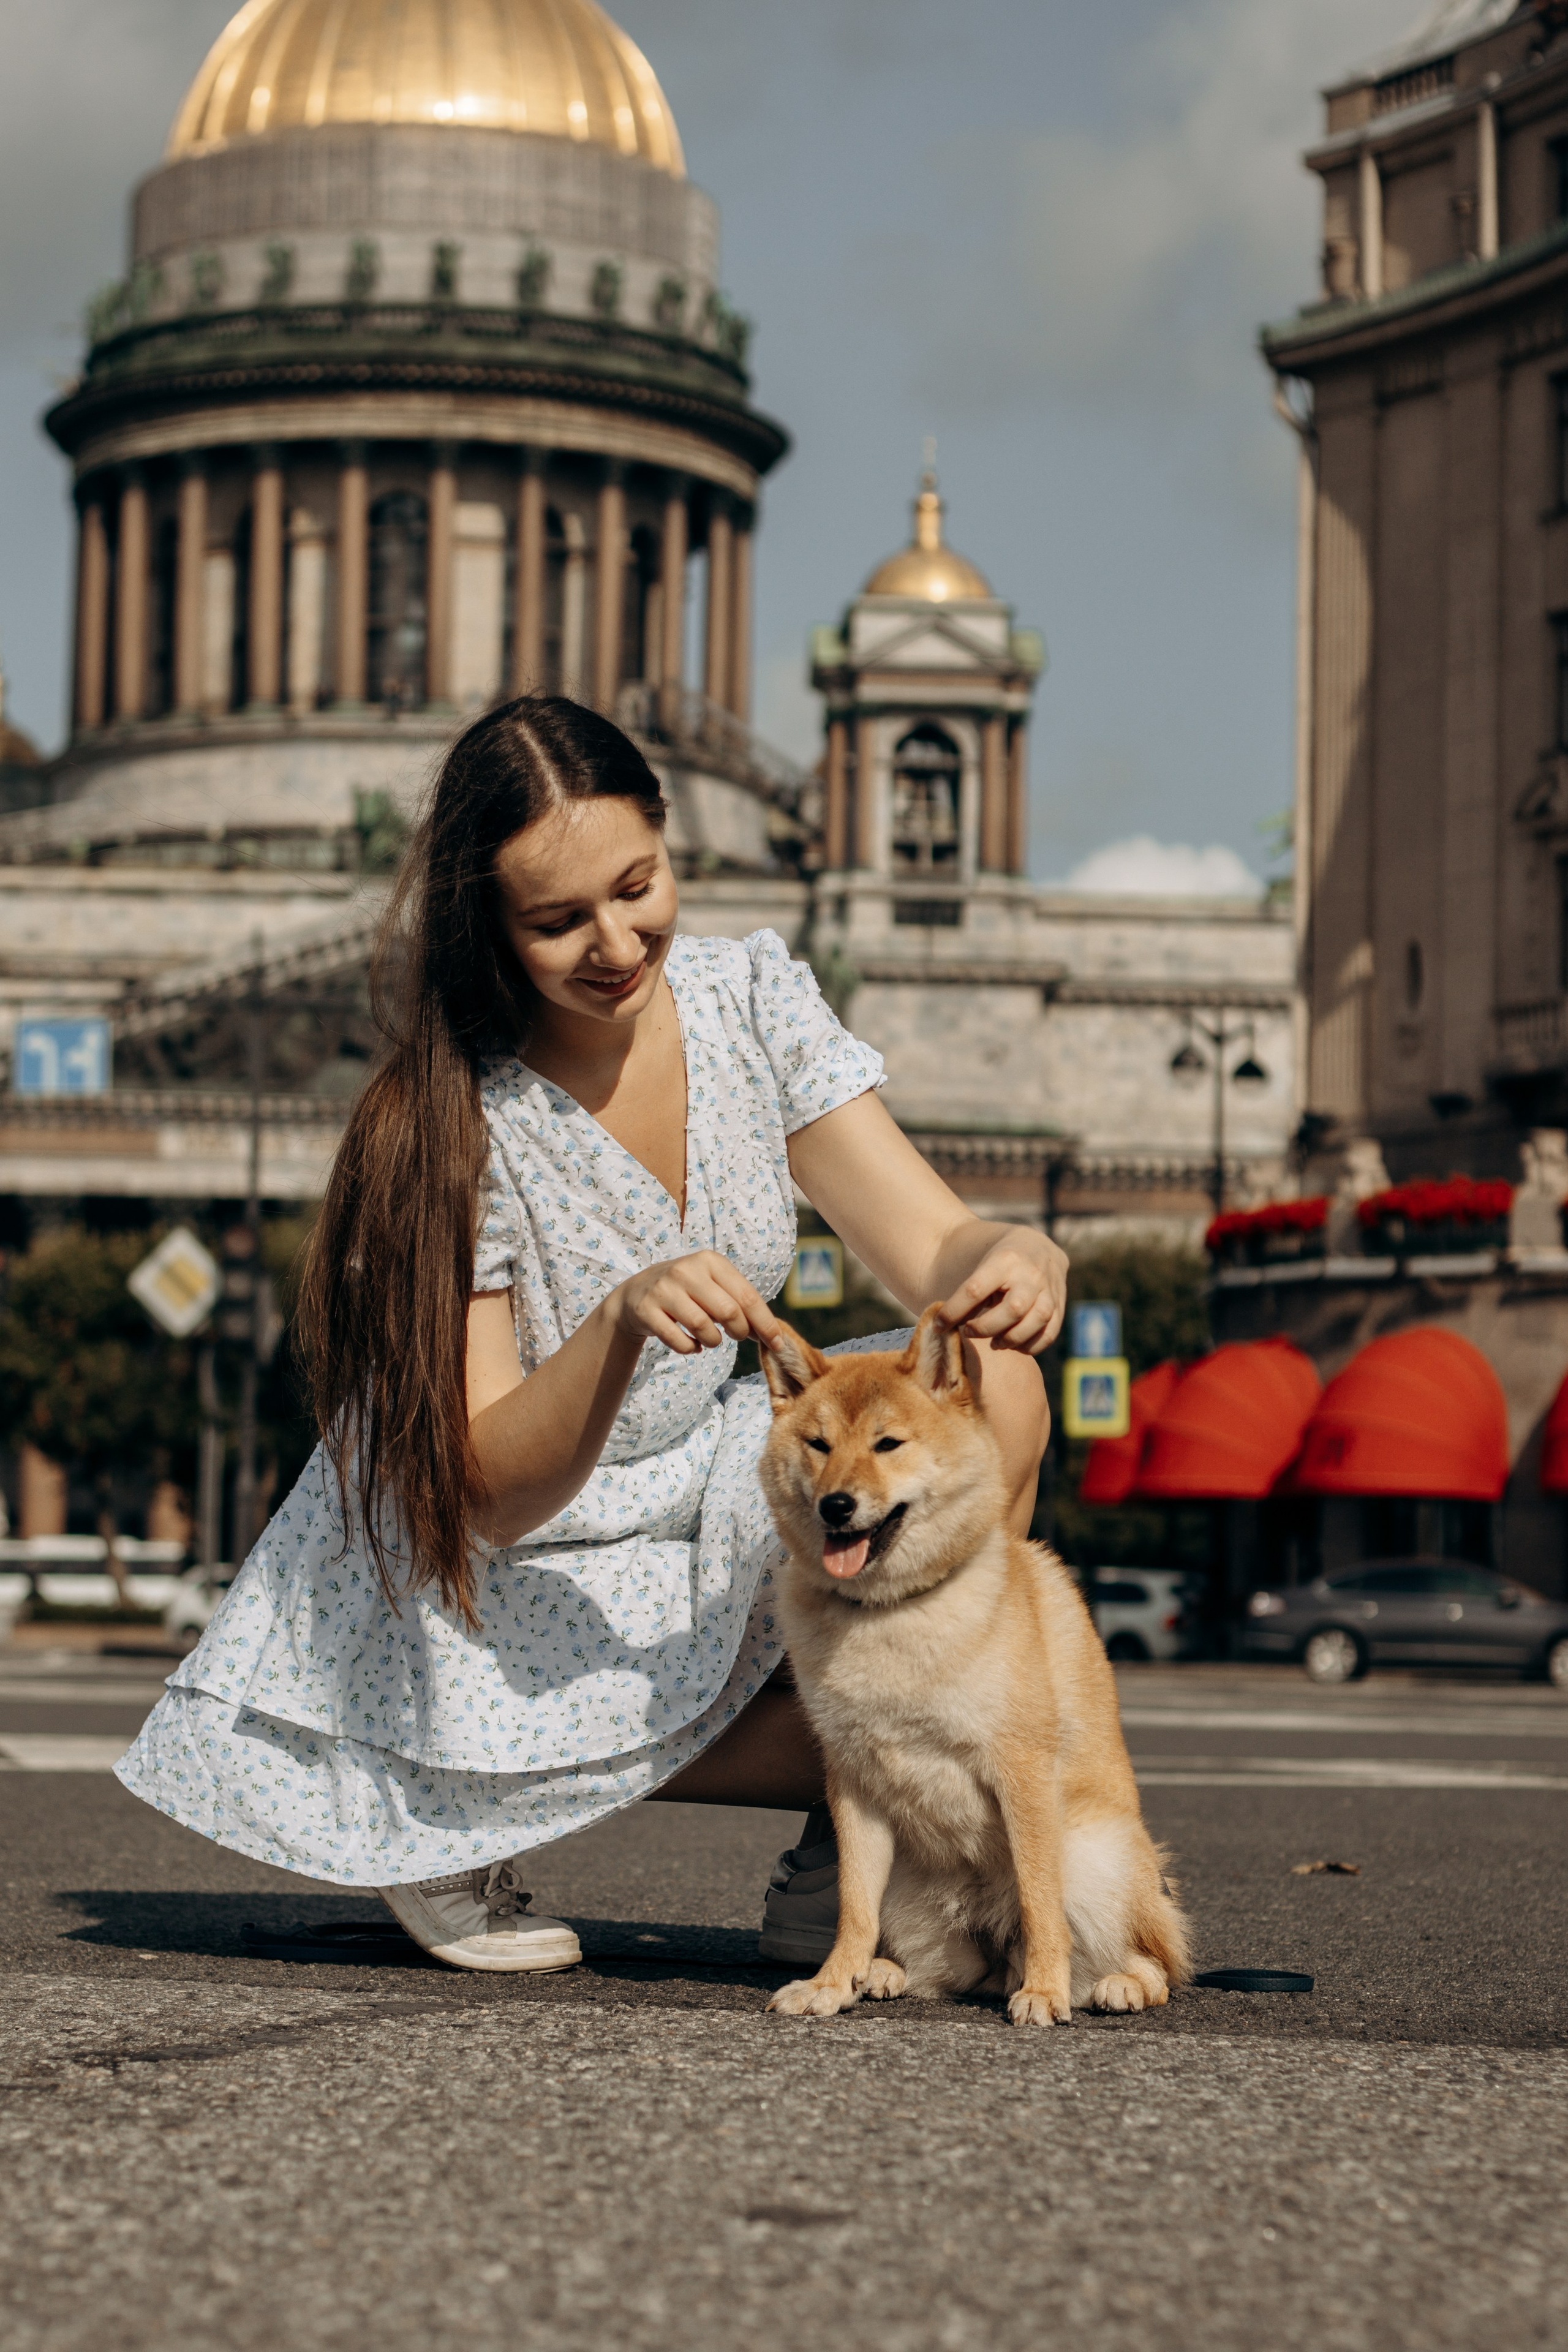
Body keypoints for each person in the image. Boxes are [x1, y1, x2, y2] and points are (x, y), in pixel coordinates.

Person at [117, 698, 1066, 1972]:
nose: (618, 944)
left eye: (638, 886)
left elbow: (934, 1245)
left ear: (668, 840)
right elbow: (486, 1490)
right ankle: (428, 1794)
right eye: (559, 921)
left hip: (697, 1478)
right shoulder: (450, 1118)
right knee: (911, 1714)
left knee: (993, 1389)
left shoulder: (745, 999)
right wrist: (617, 1324)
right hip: (497, 1541)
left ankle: (839, 1856)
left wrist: (1011, 1251)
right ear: (488, 929)